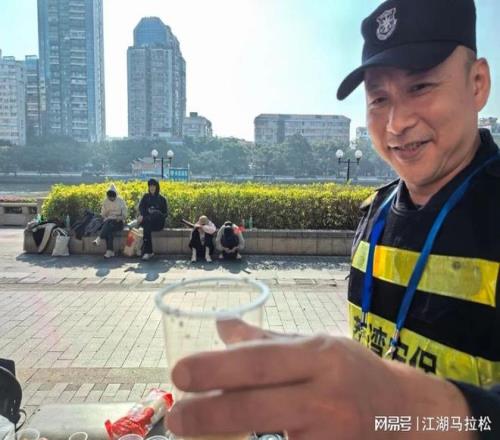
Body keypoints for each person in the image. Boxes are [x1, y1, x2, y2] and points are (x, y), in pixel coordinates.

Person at [165, 1, 500, 439]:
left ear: (477, 84)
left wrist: (407, 409)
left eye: (420, 86)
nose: (396, 122)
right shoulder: (375, 214)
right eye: (379, 99)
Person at [93, 183, 127, 258]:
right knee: (109, 230)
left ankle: (99, 239)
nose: (111, 199)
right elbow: (103, 214)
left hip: (118, 222)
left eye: (113, 197)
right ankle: (109, 251)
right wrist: (106, 216)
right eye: (110, 197)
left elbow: (125, 214)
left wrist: (120, 218)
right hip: (109, 221)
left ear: (115, 195)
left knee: (109, 224)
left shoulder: (120, 201)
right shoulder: (105, 201)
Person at [137, 178, 168, 261]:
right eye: (150, 186)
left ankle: (147, 252)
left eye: (154, 186)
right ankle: (148, 252)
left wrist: (156, 212)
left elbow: (165, 214)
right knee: (147, 226)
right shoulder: (145, 197)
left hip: (158, 223)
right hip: (148, 223)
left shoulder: (162, 199)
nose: (152, 188)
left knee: (152, 217)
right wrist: (147, 212)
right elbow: (141, 208)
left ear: (157, 187)